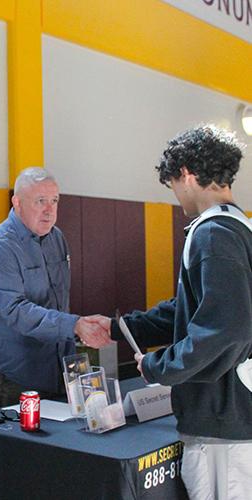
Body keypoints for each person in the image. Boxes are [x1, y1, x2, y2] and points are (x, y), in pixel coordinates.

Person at [83, 125, 252, 499]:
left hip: (223, 426)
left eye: (174, 184)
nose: (177, 197)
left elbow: (228, 329)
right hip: (231, 421)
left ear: (188, 174)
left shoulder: (214, 234)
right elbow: (191, 310)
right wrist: (119, 327)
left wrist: (160, 367)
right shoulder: (239, 229)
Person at [0, 167, 106, 408]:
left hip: (61, 370)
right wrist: (75, 325)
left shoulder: (56, 238)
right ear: (17, 202)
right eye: (40, 201)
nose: (50, 210)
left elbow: (58, 302)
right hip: (16, 377)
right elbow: (16, 311)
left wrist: (82, 330)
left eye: (54, 201)